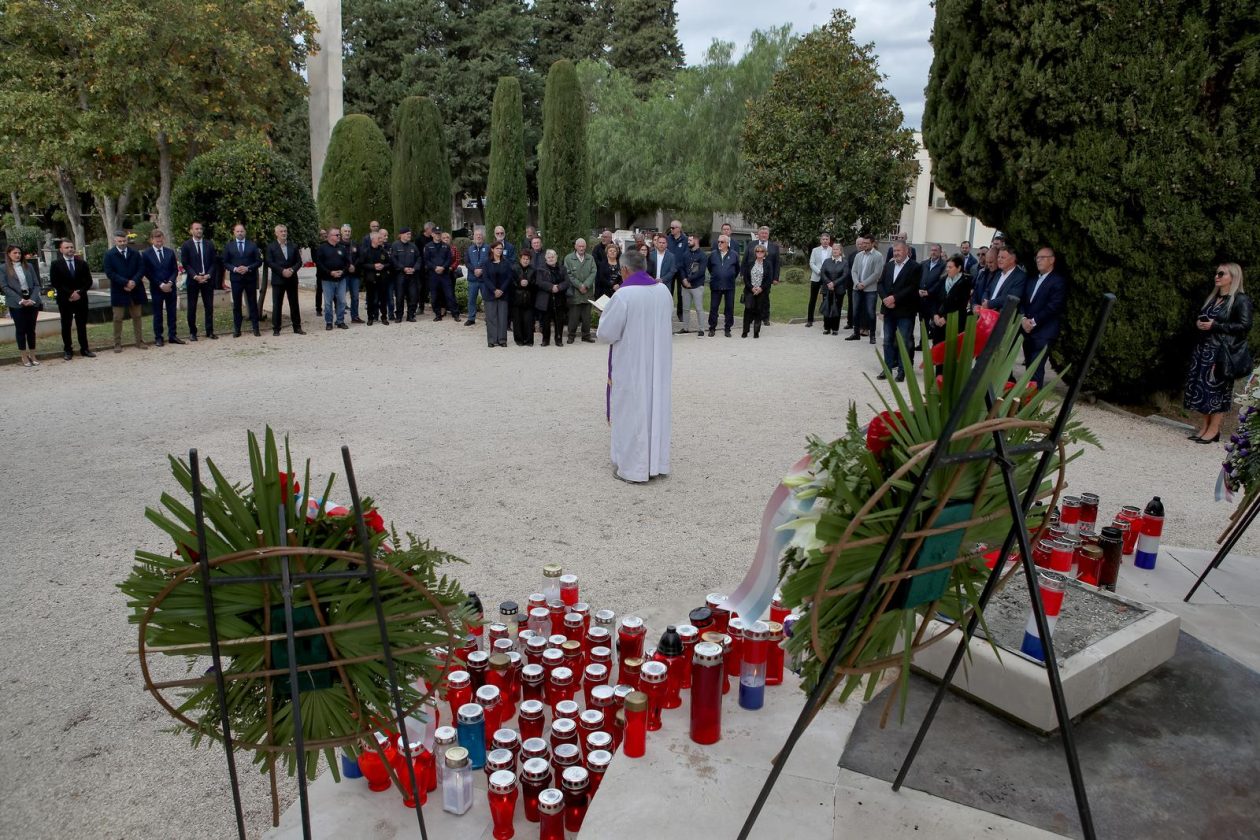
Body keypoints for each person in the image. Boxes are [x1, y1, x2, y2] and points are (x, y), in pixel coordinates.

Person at [596, 248, 673, 484]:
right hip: (657, 364)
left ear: (625, 269)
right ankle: (655, 463)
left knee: (632, 412)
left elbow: (606, 333)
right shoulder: (663, 291)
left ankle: (632, 468)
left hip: (632, 365)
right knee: (654, 410)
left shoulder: (623, 296)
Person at [1185, 263, 1253, 444]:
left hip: (1221, 353)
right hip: (1204, 350)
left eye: (1222, 273)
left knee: (1217, 391)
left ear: (1233, 277)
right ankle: (1205, 427)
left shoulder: (1240, 299)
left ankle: (1214, 429)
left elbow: (1245, 326)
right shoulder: (1214, 298)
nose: (1217, 276)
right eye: (1216, 273)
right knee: (1202, 390)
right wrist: (1201, 324)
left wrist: (1215, 325)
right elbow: (1207, 320)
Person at [1020, 247, 1066, 386]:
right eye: (1037, 258)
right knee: (1028, 368)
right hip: (1027, 331)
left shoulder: (1058, 281)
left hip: (1043, 332)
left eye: (1042, 257)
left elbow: (1053, 307)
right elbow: (1023, 301)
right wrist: (1023, 320)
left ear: (1052, 260)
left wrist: (1032, 322)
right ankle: (1023, 402)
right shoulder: (1032, 279)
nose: (1038, 260)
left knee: (1035, 371)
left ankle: (1032, 404)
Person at [877, 241, 921, 381]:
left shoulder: (915, 267)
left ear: (906, 251)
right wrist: (885, 299)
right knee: (887, 341)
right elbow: (880, 284)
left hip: (905, 311)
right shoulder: (889, 265)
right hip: (889, 310)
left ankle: (902, 371)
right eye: (894, 251)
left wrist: (894, 298)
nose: (896, 253)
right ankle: (887, 369)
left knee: (904, 341)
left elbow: (912, 288)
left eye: (899, 250)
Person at [49, 239, 96, 359]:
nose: (70, 249)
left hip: (81, 299)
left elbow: (88, 281)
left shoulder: (82, 263)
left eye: (71, 247)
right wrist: (70, 293)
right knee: (66, 325)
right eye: (67, 247)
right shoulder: (56, 264)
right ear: (61, 250)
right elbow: (56, 282)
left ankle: (84, 349)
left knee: (81, 325)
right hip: (65, 300)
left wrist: (79, 292)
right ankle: (68, 350)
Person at [103, 230, 150, 352]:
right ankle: (117, 343)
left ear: (127, 240)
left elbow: (141, 268)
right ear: (115, 241)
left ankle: (139, 341)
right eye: (120, 241)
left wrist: (133, 281)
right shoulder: (109, 255)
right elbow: (109, 272)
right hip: (119, 290)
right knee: (117, 317)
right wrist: (124, 282)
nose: (122, 243)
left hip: (135, 289)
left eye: (124, 241)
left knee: (137, 316)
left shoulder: (134, 253)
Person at [3, 244, 44, 366]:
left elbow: (37, 284)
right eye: (15, 253)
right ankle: (24, 356)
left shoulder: (29, 266)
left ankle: (33, 354)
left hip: (31, 300)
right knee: (21, 329)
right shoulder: (3, 268)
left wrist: (32, 299)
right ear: (9, 254)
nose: (18, 255)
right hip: (17, 302)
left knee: (31, 329)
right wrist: (20, 300)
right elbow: (4, 287)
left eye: (19, 253)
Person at [142, 228, 183, 346]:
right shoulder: (146, 254)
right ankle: (158, 337)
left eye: (161, 240)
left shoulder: (170, 252)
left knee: (172, 312)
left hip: (170, 287)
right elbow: (147, 272)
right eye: (157, 240)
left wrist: (170, 282)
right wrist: (160, 284)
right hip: (156, 288)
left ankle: (172, 335)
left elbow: (175, 269)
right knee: (158, 313)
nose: (159, 242)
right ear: (152, 240)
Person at [180, 221, 219, 340]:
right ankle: (192, 332)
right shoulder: (186, 245)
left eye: (201, 229)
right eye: (196, 229)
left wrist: (208, 275)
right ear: (191, 231)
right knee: (192, 307)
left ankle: (210, 331)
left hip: (207, 279)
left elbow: (214, 262)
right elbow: (185, 264)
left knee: (209, 306)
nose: (199, 231)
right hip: (193, 280)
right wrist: (195, 276)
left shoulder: (209, 244)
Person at [221, 223, 261, 337]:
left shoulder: (252, 245)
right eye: (237, 231)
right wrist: (234, 269)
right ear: (234, 233)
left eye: (242, 231)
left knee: (252, 303)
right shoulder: (229, 246)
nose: (240, 233)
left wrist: (248, 268)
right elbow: (225, 262)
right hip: (236, 279)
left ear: (245, 232)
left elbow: (258, 261)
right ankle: (237, 329)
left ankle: (256, 328)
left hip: (250, 278)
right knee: (237, 305)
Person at [266, 224, 304, 335]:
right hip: (278, 279)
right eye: (281, 231)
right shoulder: (271, 247)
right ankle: (276, 328)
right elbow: (269, 262)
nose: (284, 233)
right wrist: (282, 271)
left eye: (285, 231)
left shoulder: (293, 246)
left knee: (294, 303)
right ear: (276, 233)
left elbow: (299, 261)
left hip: (292, 279)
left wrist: (292, 270)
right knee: (277, 304)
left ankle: (297, 327)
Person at [929, 255, 974, 345]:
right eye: (947, 267)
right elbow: (934, 299)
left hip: (955, 322)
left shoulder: (965, 282)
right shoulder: (943, 280)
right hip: (939, 323)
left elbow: (961, 305)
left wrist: (946, 318)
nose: (947, 269)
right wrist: (935, 315)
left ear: (959, 268)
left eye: (950, 267)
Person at [847, 236, 884, 343]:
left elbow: (877, 273)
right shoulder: (858, 255)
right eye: (863, 243)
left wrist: (864, 283)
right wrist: (857, 283)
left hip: (870, 289)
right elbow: (853, 271)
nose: (864, 245)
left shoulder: (878, 256)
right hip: (857, 287)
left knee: (870, 312)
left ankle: (872, 335)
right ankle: (856, 333)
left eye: (867, 243)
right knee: (856, 311)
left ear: (872, 244)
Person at [315, 227, 351, 330]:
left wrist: (342, 271)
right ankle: (329, 322)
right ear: (330, 236)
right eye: (337, 235)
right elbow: (319, 263)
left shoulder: (342, 248)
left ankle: (340, 321)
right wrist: (330, 272)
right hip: (327, 279)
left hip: (341, 279)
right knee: (328, 302)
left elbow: (347, 262)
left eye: (339, 235)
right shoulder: (322, 248)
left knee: (342, 301)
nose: (339, 236)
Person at [743, 226, 781, 324]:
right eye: (762, 233)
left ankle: (765, 318)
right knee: (751, 297)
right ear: (758, 234)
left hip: (767, 278)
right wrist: (743, 273)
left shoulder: (774, 247)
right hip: (752, 276)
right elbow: (745, 259)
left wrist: (776, 277)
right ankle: (751, 317)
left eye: (766, 233)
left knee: (765, 297)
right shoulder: (751, 245)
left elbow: (777, 263)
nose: (764, 235)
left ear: (768, 235)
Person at [532, 248, 569, 348]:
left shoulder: (562, 268)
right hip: (545, 299)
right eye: (549, 257)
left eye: (553, 256)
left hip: (559, 298)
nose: (551, 258)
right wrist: (551, 287)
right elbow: (539, 282)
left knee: (559, 320)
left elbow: (566, 282)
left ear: (556, 257)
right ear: (546, 258)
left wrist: (558, 287)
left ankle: (558, 339)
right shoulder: (541, 269)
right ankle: (545, 340)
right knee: (545, 321)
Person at [707, 233, 741, 337]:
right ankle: (712, 328)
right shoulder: (713, 254)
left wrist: (729, 276)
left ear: (727, 243)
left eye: (722, 242)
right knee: (713, 307)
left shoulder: (734, 254)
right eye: (718, 242)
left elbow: (737, 269)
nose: (719, 243)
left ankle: (727, 328)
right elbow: (710, 267)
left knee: (729, 307)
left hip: (729, 286)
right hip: (716, 285)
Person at [564, 238, 597, 343]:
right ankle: (571, 336)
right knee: (574, 316)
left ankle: (586, 336)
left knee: (586, 316)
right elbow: (568, 274)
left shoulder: (590, 258)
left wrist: (586, 285)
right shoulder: (568, 258)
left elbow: (593, 272)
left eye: (583, 246)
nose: (581, 248)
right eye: (580, 246)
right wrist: (579, 285)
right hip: (575, 292)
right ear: (575, 246)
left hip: (587, 291)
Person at [359, 230, 392, 325]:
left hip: (382, 278)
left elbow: (389, 263)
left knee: (383, 299)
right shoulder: (365, 251)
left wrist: (383, 266)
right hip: (370, 278)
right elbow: (362, 264)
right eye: (379, 238)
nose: (381, 240)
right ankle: (370, 317)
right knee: (371, 299)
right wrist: (373, 266)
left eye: (381, 238)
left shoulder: (383, 251)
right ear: (373, 239)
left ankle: (384, 317)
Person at [483, 240, 512, 348]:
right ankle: (491, 340)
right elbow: (485, 278)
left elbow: (509, 277)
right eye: (497, 248)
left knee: (503, 317)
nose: (499, 251)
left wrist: (501, 290)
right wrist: (494, 290)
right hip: (490, 294)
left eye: (501, 249)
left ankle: (502, 339)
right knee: (491, 317)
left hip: (503, 294)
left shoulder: (506, 262)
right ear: (492, 249)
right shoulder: (486, 263)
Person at [818, 242, 851, 335]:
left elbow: (845, 275)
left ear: (840, 251)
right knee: (827, 307)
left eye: (837, 249)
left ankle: (835, 328)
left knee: (837, 308)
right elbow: (822, 273)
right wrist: (829, 283)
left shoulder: (844, 262)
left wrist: (834, 283)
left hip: (839, 289)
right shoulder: (827, 261)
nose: (835, 251)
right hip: (827, 288)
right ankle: (827, 328)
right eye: (833, 249)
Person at [980, 245, 1026, 309]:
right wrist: (984, 301)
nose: (999, 260)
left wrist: (989, 304)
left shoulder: (1020, 277)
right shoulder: (998, 273)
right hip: (987, 313)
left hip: (1002, 316)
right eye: (998, 257)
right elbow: (987, 290)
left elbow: (1010, 297)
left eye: (1003, 257)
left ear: (1012, 259)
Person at [391, 228, 422, 322]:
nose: (409, 236)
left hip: (412, 275)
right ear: (401, 235)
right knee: (399, 296)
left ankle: (411, 315)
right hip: (400, 275)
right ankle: (399, 316)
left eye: (410, 234)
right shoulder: (395, 245)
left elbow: (419, 258)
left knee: (413, 296)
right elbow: (393, 259)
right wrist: (403, 268)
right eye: (408, 234)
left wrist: (414, 268)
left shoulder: (413, 246)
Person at [424, 227, 455, 320]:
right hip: (433, 275)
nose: (438, 235)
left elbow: (449, 259)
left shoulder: (446, 246)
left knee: (450, 295)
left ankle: (455, 314)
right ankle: (438, 315)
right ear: (432, 234)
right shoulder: (428, 246)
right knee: (434, 296)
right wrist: (435, 267)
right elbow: (426, 260)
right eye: (436, 233)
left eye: (439, 233)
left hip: (444, 274)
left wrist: (443, 267)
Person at [741, 243, 771, 338]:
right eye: (757, 251)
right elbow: (745, 278)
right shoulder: (750, 263)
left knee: (759, 311)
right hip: (750, 290)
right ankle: (745, 331)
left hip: (762, 291)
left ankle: (756, 332)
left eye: (761, 251)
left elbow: (769, 279)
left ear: (765, 253)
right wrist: (751, 288)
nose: (759, 253)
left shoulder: (768, 264)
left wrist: (761, 288)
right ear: (755, 253)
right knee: (748, 309)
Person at [679, 234, 706, 336]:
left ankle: (701, 329)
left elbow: (701, 271)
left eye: (690, 240)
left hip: (697, 285)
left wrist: (689, 279)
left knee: (699, 308)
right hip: (685, 286)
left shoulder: (702, 255)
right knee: (685, 308)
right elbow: (681, 267)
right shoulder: (685, 254)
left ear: (696, 241)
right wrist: (684, 280)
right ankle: (685, 328)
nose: (688, 242)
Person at [646, 233, 676, 329]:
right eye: (660, 242)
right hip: (651, 285)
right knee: (652, 307)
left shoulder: (671, 256)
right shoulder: (650, 255)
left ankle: (664, 327)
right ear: (656, 243)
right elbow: (646, 270)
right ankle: (652, 327)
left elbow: (673, 270)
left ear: (666, 244)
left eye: (664, 243)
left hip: (665, 285)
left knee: (664, 308)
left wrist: (662, 279)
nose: (662, 244)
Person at [463, 226, 490, 326]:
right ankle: (471, 318)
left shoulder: (488, 248)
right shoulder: (469, 249)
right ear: (473, 237)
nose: (478, 237)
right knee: (471, 299)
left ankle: (488, 318)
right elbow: (466, 262)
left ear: (483, 237)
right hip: (473, 279)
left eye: (480, 235)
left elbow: (490, 261)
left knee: (486, 299)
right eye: (476, 235)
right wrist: (474, 270)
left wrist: (482, 270)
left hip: (484, 279)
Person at [919, 243, 947, 338]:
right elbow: (919, 278)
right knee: (923, 322)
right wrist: (919, 289)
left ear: (940, 252)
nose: (933, 252)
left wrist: (929, 292)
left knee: (934, 322)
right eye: (932, 250)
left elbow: (941, 281)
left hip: (935, 298)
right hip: (922, 298)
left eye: (936, 250)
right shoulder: (924, 263)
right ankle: (923, 343)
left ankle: (935, 344)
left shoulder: (944, 265)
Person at [806, 233, 832, 327]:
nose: (825, 241)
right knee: (812, 298)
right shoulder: (815, 250)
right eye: (823, 239)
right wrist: (819, 271)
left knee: (826, 299)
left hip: (828, 278)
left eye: (827, 239)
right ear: (820, 240)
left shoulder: (833, 250)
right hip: (816, 277)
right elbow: (811, 263)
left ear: (829, 240)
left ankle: (826, 321)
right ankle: (810, 320)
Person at [511, 249, 535, 346]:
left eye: (527, 259)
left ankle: (529, 340)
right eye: (524, 258)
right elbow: (511, 281)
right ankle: (519, 340)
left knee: (528, 321)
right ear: (520, 259)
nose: (525, 261)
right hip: (517, 297)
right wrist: (519, 283)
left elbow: (535, 283)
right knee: (517, 320)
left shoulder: (533, 270)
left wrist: (528, 283)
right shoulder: (514, 268)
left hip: (529, 298)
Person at [339, 224, 361, 323]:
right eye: (345, 231)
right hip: (344, 275)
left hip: (354, 275)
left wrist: (354, 266)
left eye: (349, 231)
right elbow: (337, 259)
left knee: (355, 297)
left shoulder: (355, 243)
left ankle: (355, 317)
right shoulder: (338, 245)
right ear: (341, 232)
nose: (347, 233)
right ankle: (340, 319)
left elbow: (360, 257)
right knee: (341, 298)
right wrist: (348, 267)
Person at [666, 219, 688, 320]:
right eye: (670, 227)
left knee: (681, 293)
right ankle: (667, 312)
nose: (671, 229)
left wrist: (678, 266)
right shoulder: (667, 239)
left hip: (681, 270)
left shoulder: (685, 240)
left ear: (679, 229)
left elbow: (686, 255)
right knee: (669, 291)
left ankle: (680, 313)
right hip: (670, 270)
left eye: (673, 228)